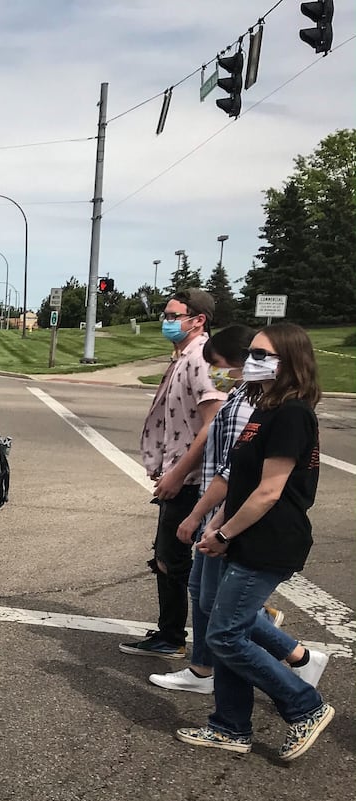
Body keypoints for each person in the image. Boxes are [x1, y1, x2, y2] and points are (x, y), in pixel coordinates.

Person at [176, 323, 333, 760]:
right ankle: (229, 726)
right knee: (225, 626)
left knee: (225, 636)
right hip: (243, 535)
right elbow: (242, 482)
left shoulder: (292, 414)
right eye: (251, 353)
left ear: (290, 362)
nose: (251, 360)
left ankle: (305, 706)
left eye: (262, 354)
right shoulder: (266, 406)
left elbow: (269, 492)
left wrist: (225, 532)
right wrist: (216, 525)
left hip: (270, 542)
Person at [119, 290, 225, 660]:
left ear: (198, 320)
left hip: (190, 479)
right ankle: (174, 632)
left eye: (173, 314)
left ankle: (175, 635)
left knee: (172, 558)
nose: (166, 320)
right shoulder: (184, 356)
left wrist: (178, 474)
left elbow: (212, 426)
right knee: (171, 557)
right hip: (179, 472)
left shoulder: (200, 359)